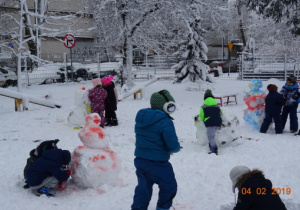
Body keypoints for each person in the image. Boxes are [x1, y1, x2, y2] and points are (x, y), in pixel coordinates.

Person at [131, 89, 181, 210]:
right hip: (158, 163)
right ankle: (162, 208)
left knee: (143, 188)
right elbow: (172, 145)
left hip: (140, 160)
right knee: (169, 186)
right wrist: (177, 147)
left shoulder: (142, 118)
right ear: (166, 106)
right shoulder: (165, 121)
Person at [199, 89, 222, 155]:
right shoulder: (217, 106)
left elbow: (201, 116)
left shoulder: (203, 107)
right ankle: (211, 145)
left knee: (210, 136)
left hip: (210, 122)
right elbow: (220, 113)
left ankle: (214, 149)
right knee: (212, 135)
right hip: (218, 122)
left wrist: (205, 120)